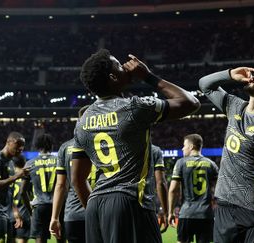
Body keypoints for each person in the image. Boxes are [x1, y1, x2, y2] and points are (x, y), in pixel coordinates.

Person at [70, 49, 200, 243]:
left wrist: (96, 211)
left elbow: (78, 180)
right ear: (113, 77)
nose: (125, 66)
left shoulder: (82, 121)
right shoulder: (134, 107)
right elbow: (190, 102)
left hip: (95, 206)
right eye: (118, 65)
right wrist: (148, 76)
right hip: (129, 201)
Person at [199, 67, 254, 243]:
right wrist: (229, 74)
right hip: (224, 205)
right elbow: (204, 85)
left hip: (253, 212)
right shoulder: (235, 106)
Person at [50, 105, 91, 243]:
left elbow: (61, 185)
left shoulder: (65, 147)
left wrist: (54, 217)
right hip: (101, 212)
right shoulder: (104, 142)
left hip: (73, 214)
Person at [168, 134, 219, 243]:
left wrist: (170, 212)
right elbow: (218, 190)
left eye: (184, 145)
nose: (182, 148)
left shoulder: (181, 163)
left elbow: (173, 190)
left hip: (187, 213)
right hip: (206, 214)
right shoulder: (212, 164)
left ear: (191, 147)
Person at [0, 132, 30, 243]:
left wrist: (15, 211)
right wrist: (17, 176)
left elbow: (9, 191)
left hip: (6, 213)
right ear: (8, 142)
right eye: (18, 145)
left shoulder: (11, 163)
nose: (20, 149)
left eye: (22, 146)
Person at [24, 133, 59, 243]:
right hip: (57, 206)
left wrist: (30, 212)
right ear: (51, 146)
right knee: (60, 237)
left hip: (39, 206)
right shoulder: (59, 161)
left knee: (40, 239)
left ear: (37, 146)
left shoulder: (30, 163)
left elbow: (22, 192)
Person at [9, 155, 32, 243]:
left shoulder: (9, 177)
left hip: (9, 214)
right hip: (24, 214)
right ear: (24, 163)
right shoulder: (27, 177)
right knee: (22, 240)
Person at [151, 144, 169, 233]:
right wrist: (165, 212)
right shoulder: (154, 150)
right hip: (144, 206)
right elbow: (160, 182)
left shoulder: (119, 145)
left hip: (110, 201)